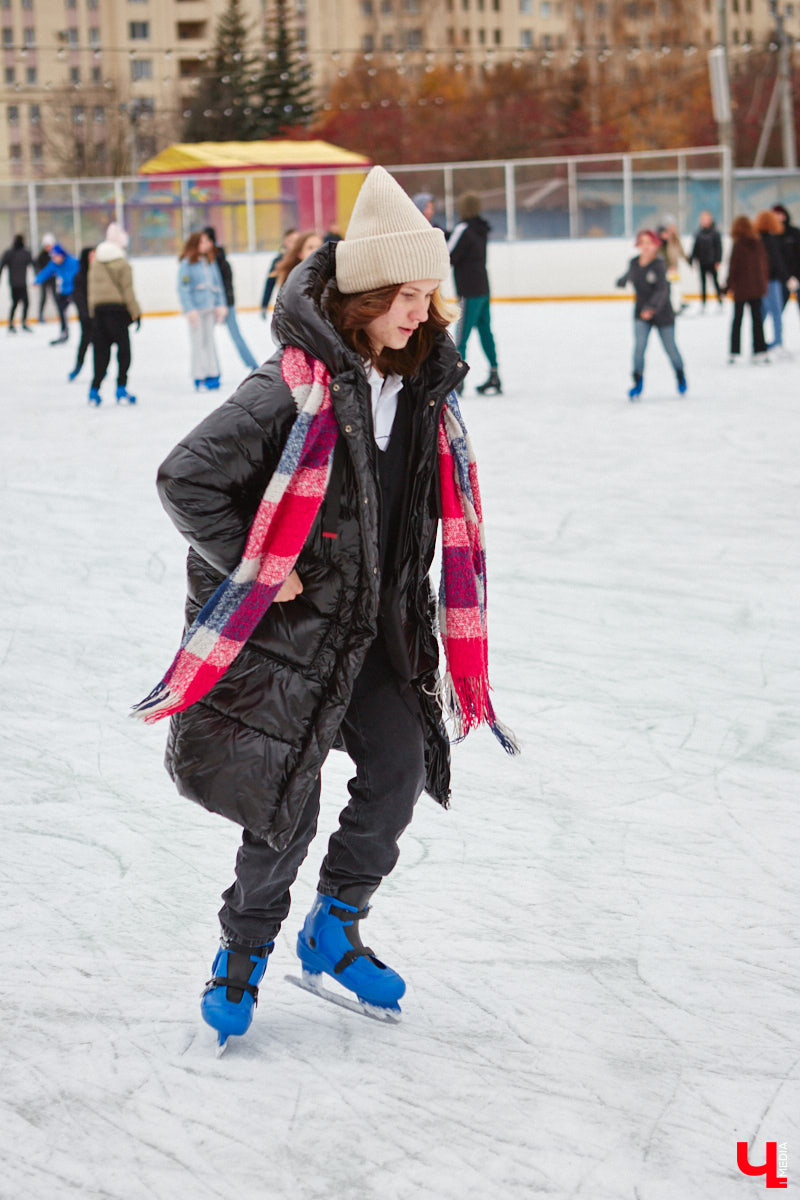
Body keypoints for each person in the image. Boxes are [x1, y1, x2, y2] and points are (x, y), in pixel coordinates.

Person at [132, 165, 516, 1051]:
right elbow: (186, 478)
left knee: (400, 769)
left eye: (426, 296)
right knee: (284, 808)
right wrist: (263, 568)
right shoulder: (289, 387)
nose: (422, 313)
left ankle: (334, 927)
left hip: (378, 634)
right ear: (366, 297)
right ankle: (242, 951)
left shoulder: (422, 391)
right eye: (406, 297)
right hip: (292, 640)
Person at [615, 229, 687, 400]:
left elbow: (662, 290)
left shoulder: (660, 264)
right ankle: (637, 382)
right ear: (638, 245)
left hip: (663, 313)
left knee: (670, 348)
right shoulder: (634, 262)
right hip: (641, 313)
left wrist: (651, 308)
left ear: (656, 245)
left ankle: (680, 375)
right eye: (642, 242)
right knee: (639, 349)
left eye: (649, 243)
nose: (646, 246)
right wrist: (622, 281)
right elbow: (630, 274)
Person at [448, 192, 501, 395]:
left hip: (468, 290)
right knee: (486, 331)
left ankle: (457, 380)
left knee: (462, 335)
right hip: (483, 287)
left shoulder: (463, 229)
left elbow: (449, 254)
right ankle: (494, 374)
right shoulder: (481, 229)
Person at [87, 223, 141, 405]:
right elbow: (127, 290)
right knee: (124, 351)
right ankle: (121, 388)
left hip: (99, 313)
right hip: (117, 312)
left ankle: (94, 390)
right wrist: (136, 312)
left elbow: (91, 290)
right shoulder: (122, 263)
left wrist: (92, 312)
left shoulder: (96, 262)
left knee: (100, 353)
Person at [203, 225, 258, 373]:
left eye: (205, 240)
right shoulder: (203, 261)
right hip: (208, 305)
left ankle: (253, 365)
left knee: (236, 335)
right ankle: (211, 370)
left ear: (211, 242)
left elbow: (226, 284)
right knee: (206, 339)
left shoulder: (220, 261)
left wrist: (225, 305)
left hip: (225, 305)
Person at [177, 229, 227, 391]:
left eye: (207, 241)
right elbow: (183, 288)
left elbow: (218, 285)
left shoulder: (209, 262)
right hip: (196, 311)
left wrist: (220, 304)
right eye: (203, 241)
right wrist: (189, 309)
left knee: (209, 341)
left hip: (210, 309)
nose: (207, 244)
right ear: (195, 244)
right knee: (198, 343)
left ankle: (213, 372)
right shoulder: (187, 264)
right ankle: (199, 376)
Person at [721, 215, 769, 365]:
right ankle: (760, 351)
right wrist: (763, 284)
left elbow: (733, 268)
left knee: (737, 320)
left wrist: (726, 287)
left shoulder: (738, 244)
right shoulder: (758, 243)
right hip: (757, 288)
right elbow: (764, 265)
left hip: (741, 289)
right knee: (757, 320)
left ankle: (735, 352)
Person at [753, 209, 789, 356]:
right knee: (776, 312)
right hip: (771, 280)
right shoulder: (771, 240)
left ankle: (758, 341)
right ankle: (777, 342)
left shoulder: (756, 239)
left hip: (759, 281)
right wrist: (786, 277)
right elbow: (776, 261)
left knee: (761, 312)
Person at [34, 242, 79, 344]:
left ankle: (89, 334)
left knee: (83, 313)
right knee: (61, 311)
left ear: (61, 255)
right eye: (52, 257)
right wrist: (37, 280)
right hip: (64, 291)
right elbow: (46, 272)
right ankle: (64, 333)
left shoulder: (73, 262)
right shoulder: (54, 263)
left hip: (76, 290)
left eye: (55, 257)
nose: (54, 259)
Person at [68, 247, 95, 381]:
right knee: (85, 342)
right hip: (86, 317)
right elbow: (78, 297)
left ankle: (101, 368)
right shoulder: (79, 277)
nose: (94, 259)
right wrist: (85, 314)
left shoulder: (99, 275)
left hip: (99, 315)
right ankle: (78, 366)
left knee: (100, 343)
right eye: (91, 256)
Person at [689, 211, 723, 310]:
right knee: (703, 283)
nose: (705, 221)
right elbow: (695, 247)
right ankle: (703, 303)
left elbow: (718, 248)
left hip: (712, 262)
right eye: (703, 220)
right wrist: (692, 259)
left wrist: (718, 260)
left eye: (706, 219)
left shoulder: (715, 233)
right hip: (702, 262)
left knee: (715, 282)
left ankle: (720, 301)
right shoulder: (698, 233)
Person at [0, 233, 33, 333]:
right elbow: (34, 264)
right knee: (23, 303)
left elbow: (1, 266)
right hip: (20, 283)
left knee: (16, 303)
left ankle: (13, 323)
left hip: (14, 283)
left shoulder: (10, 253)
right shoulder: (24, 253)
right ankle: (20, 323)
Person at [260, 228, 297, 316]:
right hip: (287, 304)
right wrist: (264, 304)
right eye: (291, 241)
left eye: (297, 241)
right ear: (285, 242)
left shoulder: (305, 259)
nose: (294, 244)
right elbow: (270, 283)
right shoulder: (278, 261)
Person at [657, 217, 690, 315]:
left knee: (675, 286)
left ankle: (677, 304)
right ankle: (674, 307)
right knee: (671, 287)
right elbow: (662, 255)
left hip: (674, 267)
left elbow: (680, 250)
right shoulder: (661, 242)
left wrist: (688, 260)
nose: (673, 228)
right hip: (667, 268)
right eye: (671, 226)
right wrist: (668, 266)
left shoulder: (675, 238)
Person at [771, 204, 800, 311]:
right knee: (778, 310)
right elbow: (775, 260)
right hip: (781, 278)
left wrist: (796, 277)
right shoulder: (772, 236)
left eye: (779, 214)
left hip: (797, 276)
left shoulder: (794, 233)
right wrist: (786, 277)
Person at [34, 233, 57, 324]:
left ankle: (61, 313)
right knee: (43, 297)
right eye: (46, 246)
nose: (48, 248)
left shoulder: (55, 254)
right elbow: (37, 267)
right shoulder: (41, 256)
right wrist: (39, 278)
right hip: (44, 279)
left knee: (56, 297)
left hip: (52, 279)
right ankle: (40, 315)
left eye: (49, 246)